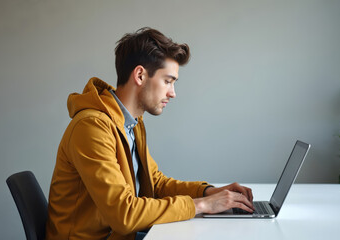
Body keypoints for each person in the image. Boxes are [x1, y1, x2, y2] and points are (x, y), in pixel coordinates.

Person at [46, 27, 254, 240]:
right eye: (168, 81)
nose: (172, 93)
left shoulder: (129, 123)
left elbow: (155, 184)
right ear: (140, 75)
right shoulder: (92, 127)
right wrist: (201, 205)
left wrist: (209, 193)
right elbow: (123, 214)